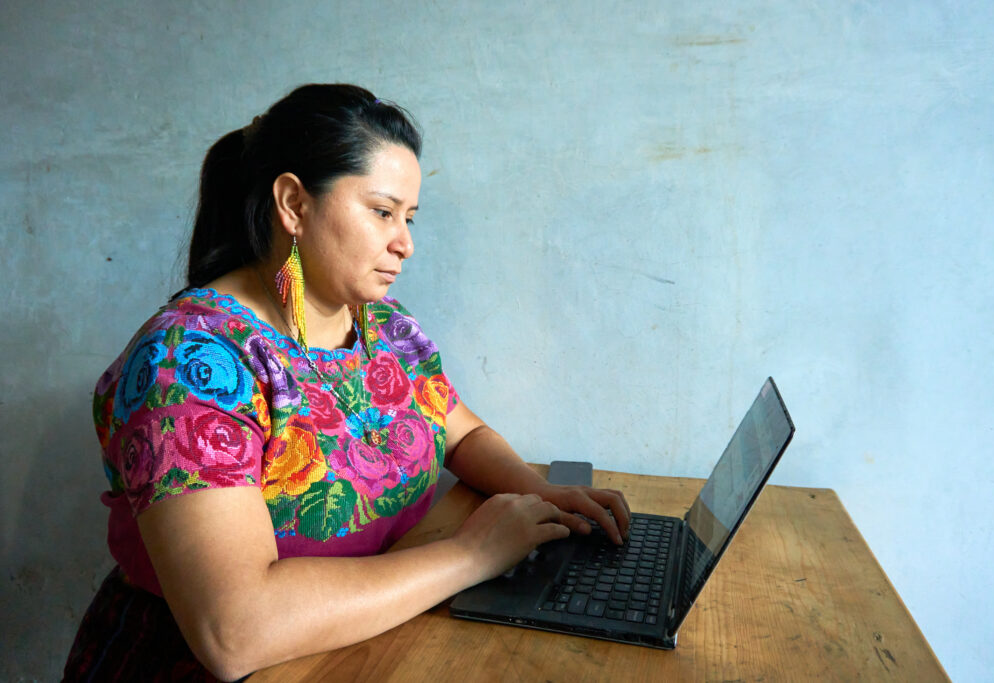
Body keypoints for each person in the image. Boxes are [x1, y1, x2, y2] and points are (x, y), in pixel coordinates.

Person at [63, 84, 631, 681]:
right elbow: (235, 630)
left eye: (408, 218)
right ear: (293, 204)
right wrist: (470, 555)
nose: (404, 243)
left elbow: (459, 432)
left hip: (368, 647)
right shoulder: (191, 362)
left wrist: (537, 493)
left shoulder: (384, 326)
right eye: (382, 212)